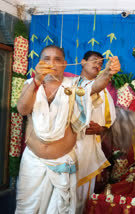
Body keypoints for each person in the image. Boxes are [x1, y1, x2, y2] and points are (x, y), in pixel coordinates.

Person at [15, 45, 120, 213]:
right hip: (33, 162)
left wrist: (107, 73)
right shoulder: (30, 84)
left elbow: (95, 87)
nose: (52, 63)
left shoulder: (74, 85)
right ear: (39, 63)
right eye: (46, 59)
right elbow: (23, 109)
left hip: (63, 162)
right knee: (26, 209)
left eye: (57, 59)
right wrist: (37, 80)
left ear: (65, 64)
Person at [75, 51, 117, 213]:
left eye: (100, 64)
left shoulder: (103, 91)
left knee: (83, 195)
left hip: (88, 146)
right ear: (82, 62)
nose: (97, 65)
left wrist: (100, 129)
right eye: (94, 61)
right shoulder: (70, 85)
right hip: (64, 147)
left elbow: (109, 122)